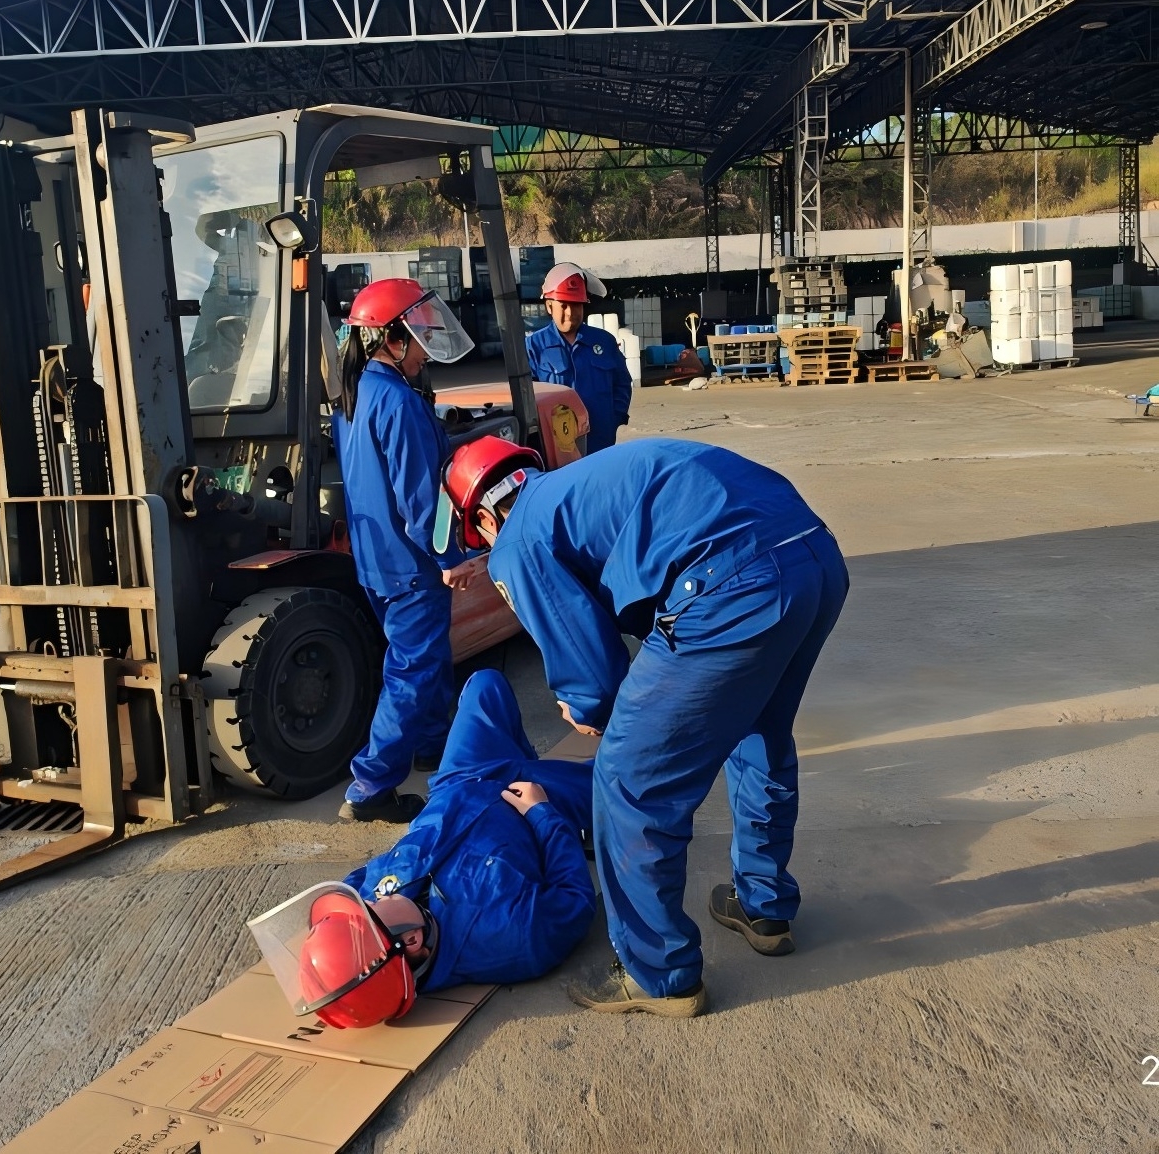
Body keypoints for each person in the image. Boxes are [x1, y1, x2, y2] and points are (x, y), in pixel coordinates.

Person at [441, 435, 849, 1018]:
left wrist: (590, 711)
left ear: (483, 517)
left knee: (628, 780)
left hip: (729, 582)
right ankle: (763, 905)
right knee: (759, 731)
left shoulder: (517, 539)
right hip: (812, 553)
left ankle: (658, 972)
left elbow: (592, 675)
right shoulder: (573, 488)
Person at [278, 669, 596, 1026]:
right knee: (630, 779)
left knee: (484, 684)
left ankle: (524, 760)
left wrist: (327, 948)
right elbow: (574, 898)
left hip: (460, 779)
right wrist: (542, 813)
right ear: (413, 940)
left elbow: (355, 892)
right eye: (371, 909)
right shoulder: (513, 937)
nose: (371, 899)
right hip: (536, 800)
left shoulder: (379, 916)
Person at [332, 278, 475, 823]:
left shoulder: (355, 395)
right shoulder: (399, 402)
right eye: (418, 340)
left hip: (375, 560)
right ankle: (370, 787)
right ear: (392, 339)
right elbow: (419, 499)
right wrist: (449, 558)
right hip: (412, 564)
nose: (425, 352)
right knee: (411, 673)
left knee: (427, 658)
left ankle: (433, 745)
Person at [525, 263, 631, 453]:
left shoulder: (604, 342)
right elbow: (526, 397)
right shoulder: (533, 346)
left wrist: (614, 418)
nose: (570, 313)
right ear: (549, 306)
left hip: (601, 443)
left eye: (576, 305)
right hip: (557, 447)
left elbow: (622, 383)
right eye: (564, 305)